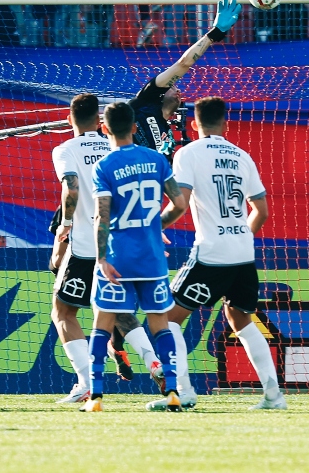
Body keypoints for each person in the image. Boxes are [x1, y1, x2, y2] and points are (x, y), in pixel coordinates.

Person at [167, 96, 287, 411]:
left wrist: (152, 227)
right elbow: (261, 211)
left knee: (167, 320)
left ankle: (184, 392)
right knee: (241, 318)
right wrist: (239, 236)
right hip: (243, 251)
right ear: (226, 124)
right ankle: (274, 397)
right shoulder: (242, 156)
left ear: (194, 124)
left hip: (211, 251)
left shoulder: (187, 154)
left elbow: (181, 203)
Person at [49, 95, 166, 405]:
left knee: (62, 311)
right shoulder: (113, 147)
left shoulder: (65, 150)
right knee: (120, 312)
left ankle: (86, 382)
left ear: (69, 118)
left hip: (87, 246)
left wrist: (65, 224)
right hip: (124, 245)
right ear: (100, 120)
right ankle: (154, 361)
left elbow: (71, 187)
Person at [79, 101, 188, 413]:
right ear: (135, 127)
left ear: (104, 128)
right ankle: (172, 393)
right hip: (152, 258)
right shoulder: (156, 160)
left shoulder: (104, 166)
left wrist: (100, 258)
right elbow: (179, 204)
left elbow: (101, 216)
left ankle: (97, 397)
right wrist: (155, 226)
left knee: (102, 322)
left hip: (118, 257)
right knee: (161, 325)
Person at [131, 0, 242, 163]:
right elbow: (184, 63)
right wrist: (214, 34)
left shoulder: (167, 133)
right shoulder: (145, 99)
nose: (178, 90)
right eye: (173, 86)